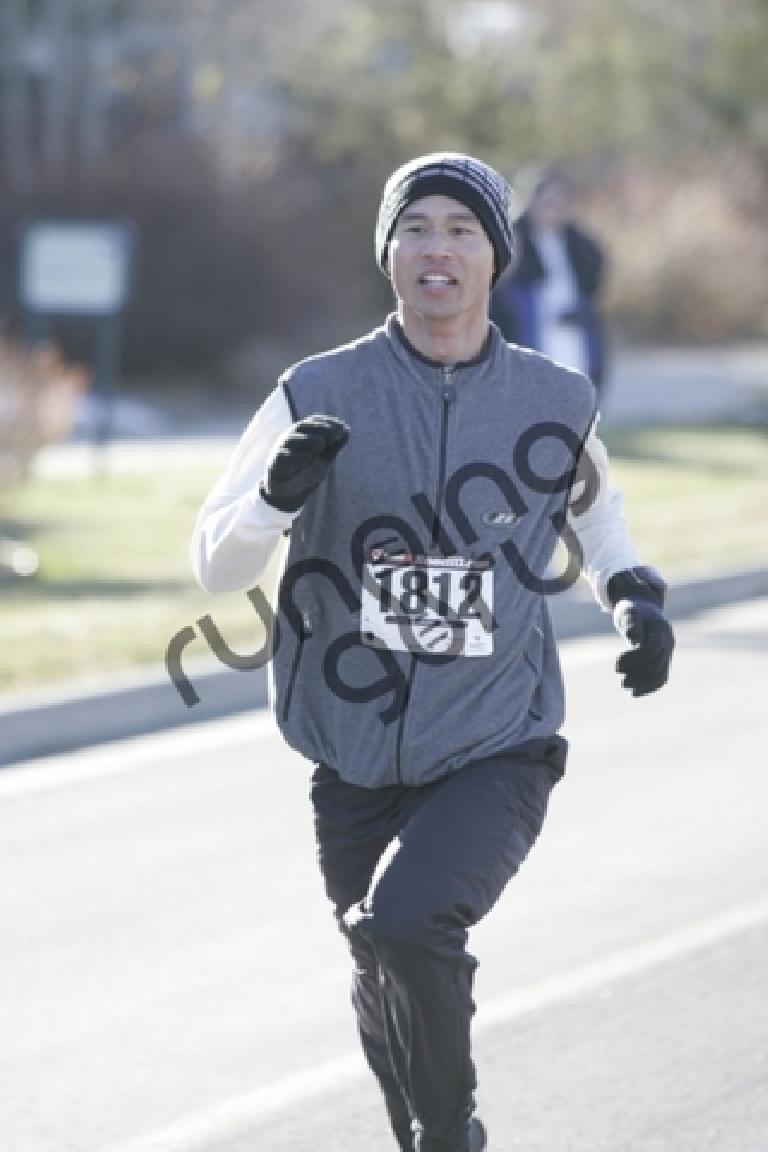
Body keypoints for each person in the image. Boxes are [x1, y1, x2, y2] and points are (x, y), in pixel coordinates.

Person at [190, 152, 674, 1152]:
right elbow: (211, 566)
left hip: (497, 742)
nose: (437, 249)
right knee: (376, 961)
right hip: (352, 752)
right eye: (417, 229)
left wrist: (635, 606)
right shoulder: (315, 390)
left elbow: (602, 528)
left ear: (496, 256)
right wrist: (278, 494)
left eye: (461, 229)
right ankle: (421, 1135)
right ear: (388, 252)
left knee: (406, 925)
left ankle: (452, 1133)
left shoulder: (553, 398)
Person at [491, 166, 609, 406]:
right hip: (529, 335)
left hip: (573, 340)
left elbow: (591, 289)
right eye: (548, 200)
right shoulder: (514, 239)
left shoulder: (580, 246)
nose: (554, 207)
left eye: (561, 200)